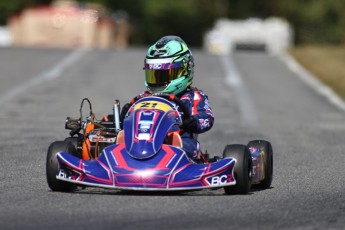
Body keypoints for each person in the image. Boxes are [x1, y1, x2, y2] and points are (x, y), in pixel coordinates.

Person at [120, 35, 214, 160]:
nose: (158, 80)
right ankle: (119, 162)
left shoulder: (193, 96)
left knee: (187, 147)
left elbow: (207, 118)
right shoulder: (143, 97)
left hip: (176, 142)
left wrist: (193, 122)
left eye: (164, 75)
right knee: (115, 140)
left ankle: (176, 168)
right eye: (154, 75)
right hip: (139, 141)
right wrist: (122, 117)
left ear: (184, 70)